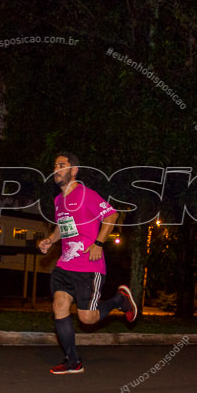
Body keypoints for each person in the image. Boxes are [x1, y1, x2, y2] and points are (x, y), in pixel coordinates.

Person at [37, 152, 137, 374]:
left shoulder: (85, 194)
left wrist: (98, 243)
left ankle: (120, 300)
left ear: (74, 170)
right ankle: (73, 361)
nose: (56, 169)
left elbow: (111, 215)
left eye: (61, 165)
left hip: (88, 268)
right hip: (65, 265)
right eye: (54, 165)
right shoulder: (58, 200)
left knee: (87, 318)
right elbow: (64, 228)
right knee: (59, 307)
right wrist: (50, 241)